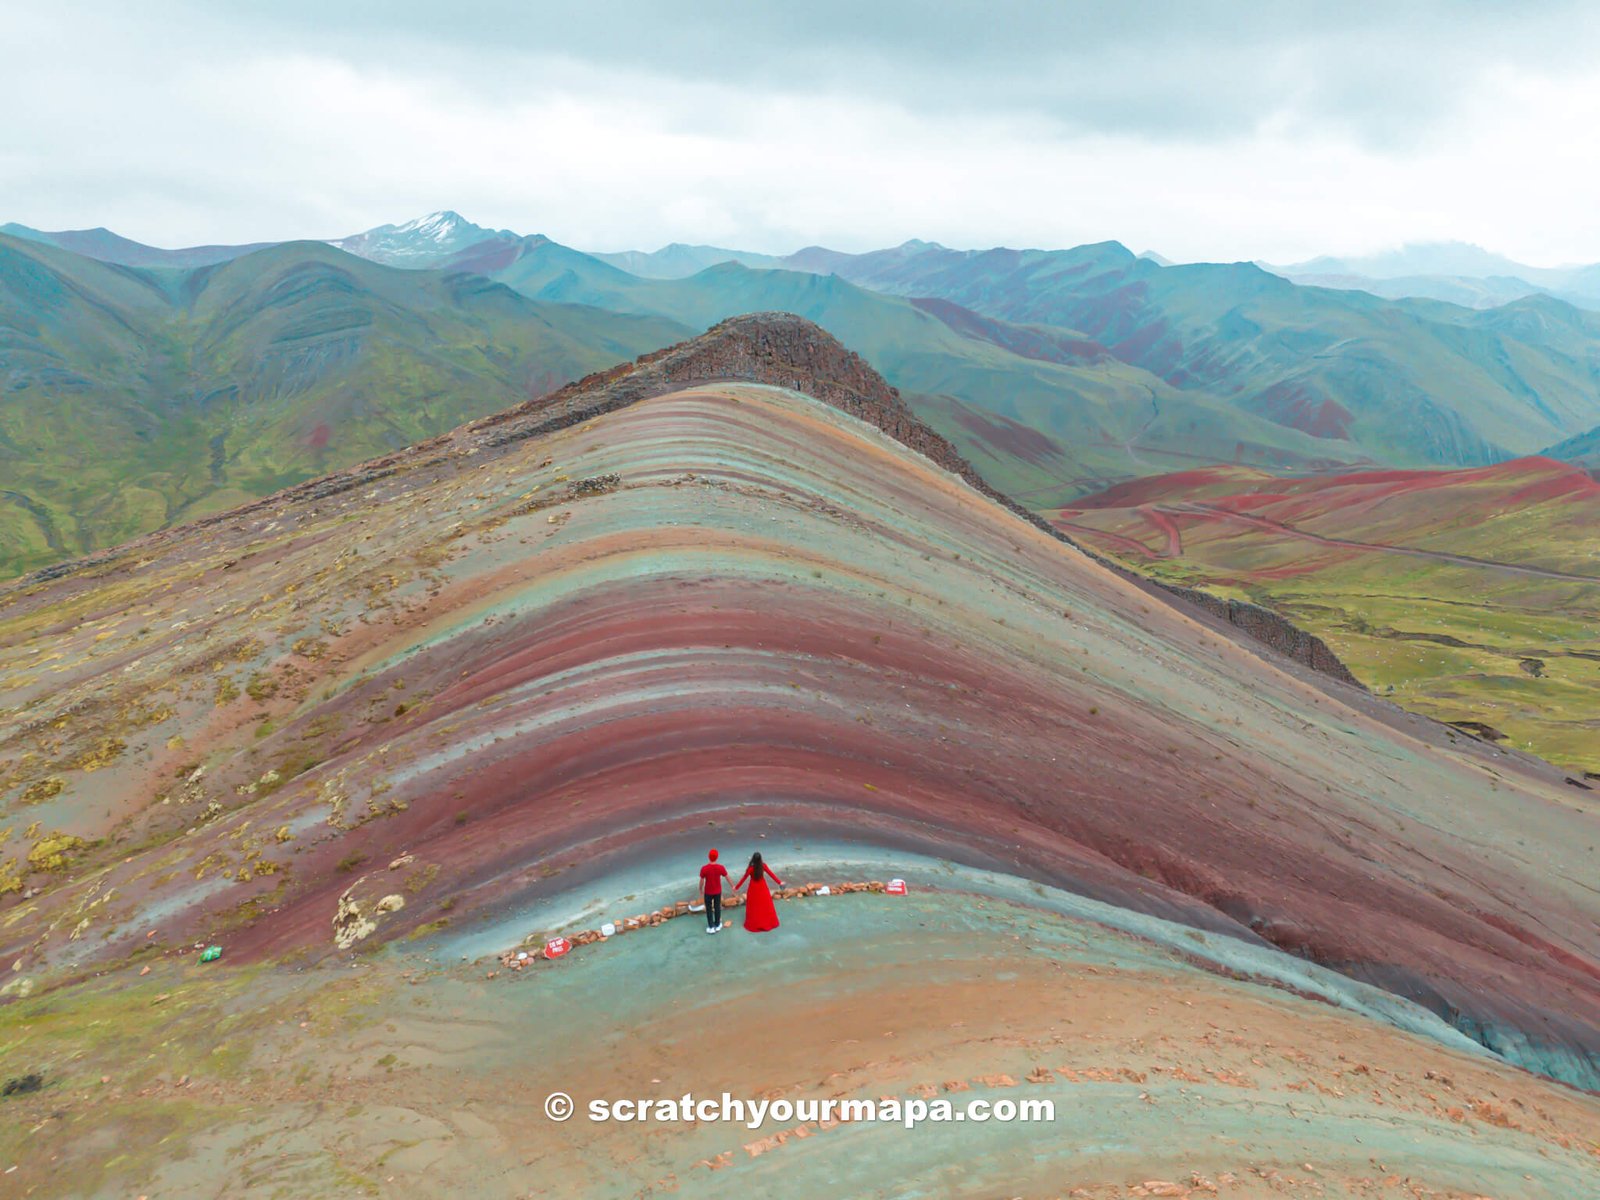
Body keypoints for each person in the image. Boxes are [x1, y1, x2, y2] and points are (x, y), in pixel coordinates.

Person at [733, 851, 783, 932]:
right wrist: (779, 882)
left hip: (753, 888)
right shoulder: (763, 866)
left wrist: (736, 887)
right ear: (760, 859)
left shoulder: (751, 868)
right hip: (762, 887)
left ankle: (755, 924)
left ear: (753, 859)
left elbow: (744, 878)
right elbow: (771, 874)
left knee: (754, 906)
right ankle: (767, 923)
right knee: (764, 905)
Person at [698, 848, 729, 934]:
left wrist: (700, 889)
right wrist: (733, 886)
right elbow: (727, 877)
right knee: (717, 907)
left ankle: (711, 927)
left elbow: (702, 881)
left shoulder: (704, 868)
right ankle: (718, 924)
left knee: (708, 909)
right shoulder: (720, 868)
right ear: (717, 857)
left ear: (709, 857)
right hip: (717, 892)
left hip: (708, 892)